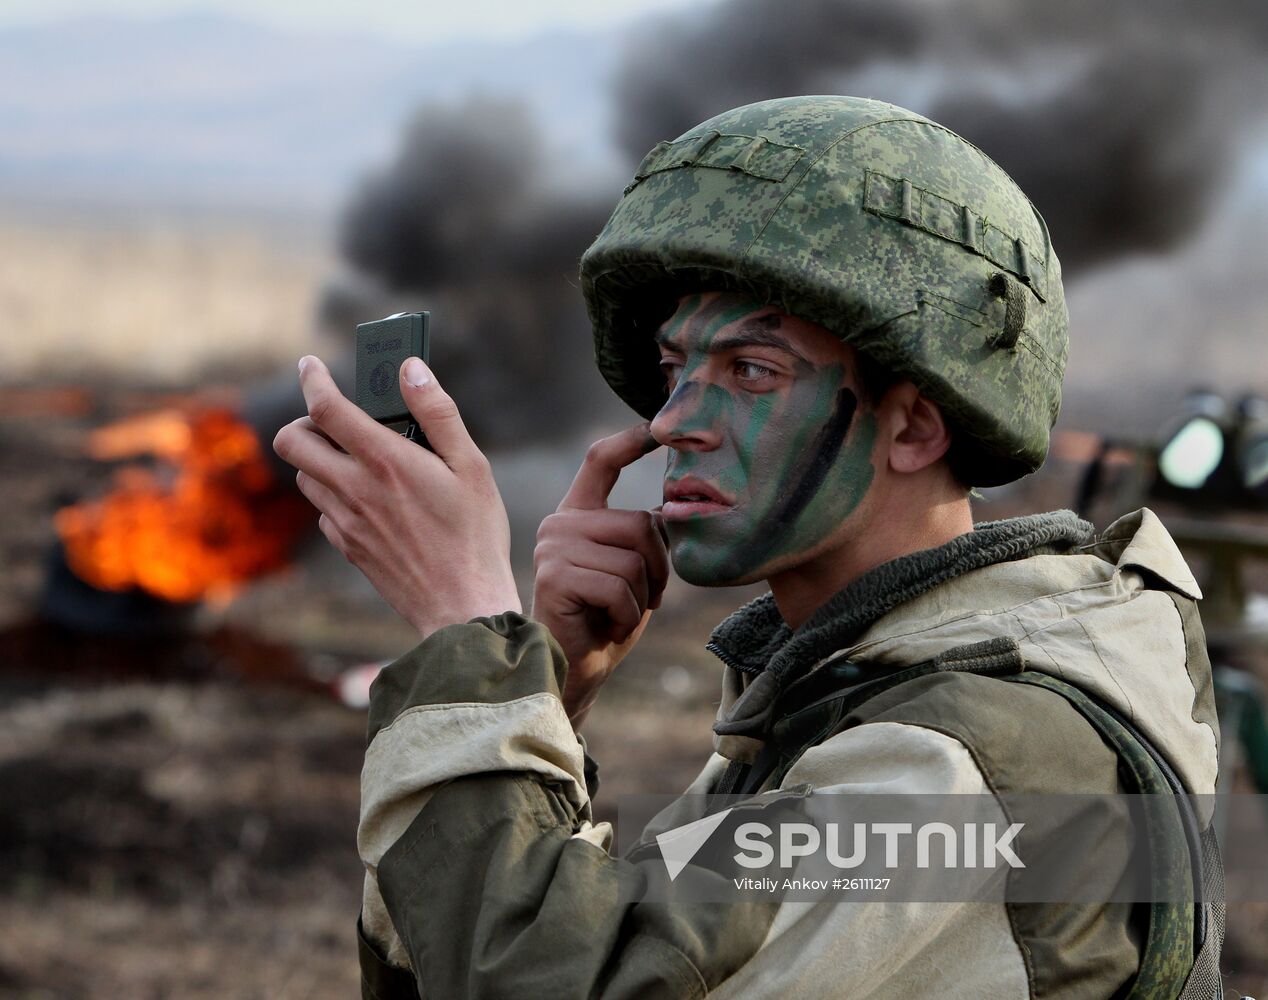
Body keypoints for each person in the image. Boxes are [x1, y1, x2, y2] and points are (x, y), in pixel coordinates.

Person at [273, 96, 1222, 998]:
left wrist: (469, 629)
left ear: (915, 429)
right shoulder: (853, 694)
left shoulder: (966, 767)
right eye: (674, 367)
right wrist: (547, 695)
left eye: (752, 371)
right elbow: (514, 961)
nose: (674, 420)